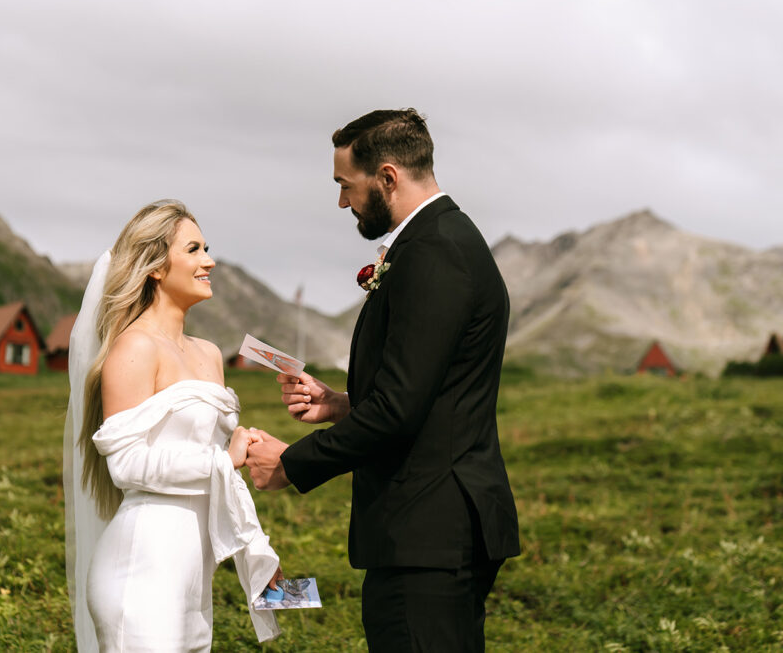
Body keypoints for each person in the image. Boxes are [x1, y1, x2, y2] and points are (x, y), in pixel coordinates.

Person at [246, 109, 520, 652]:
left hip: (430, 534)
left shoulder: (435, 253)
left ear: (388, 177)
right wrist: (342, 404)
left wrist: (290, 463)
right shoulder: (437, 241)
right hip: (432, 532)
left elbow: (399, 412)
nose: (343, 202)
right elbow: (426, 391)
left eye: (346, 186)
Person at [63, 200, 282, 653]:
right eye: (194, 249)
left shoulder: (208, 353)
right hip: (141, 571)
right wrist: (222, 458)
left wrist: (246, 445)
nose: (210, 261)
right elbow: (125, 464)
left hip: (194, 579)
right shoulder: (134, 348)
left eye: (208, 248)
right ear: (156, 267)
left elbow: (210, 455)